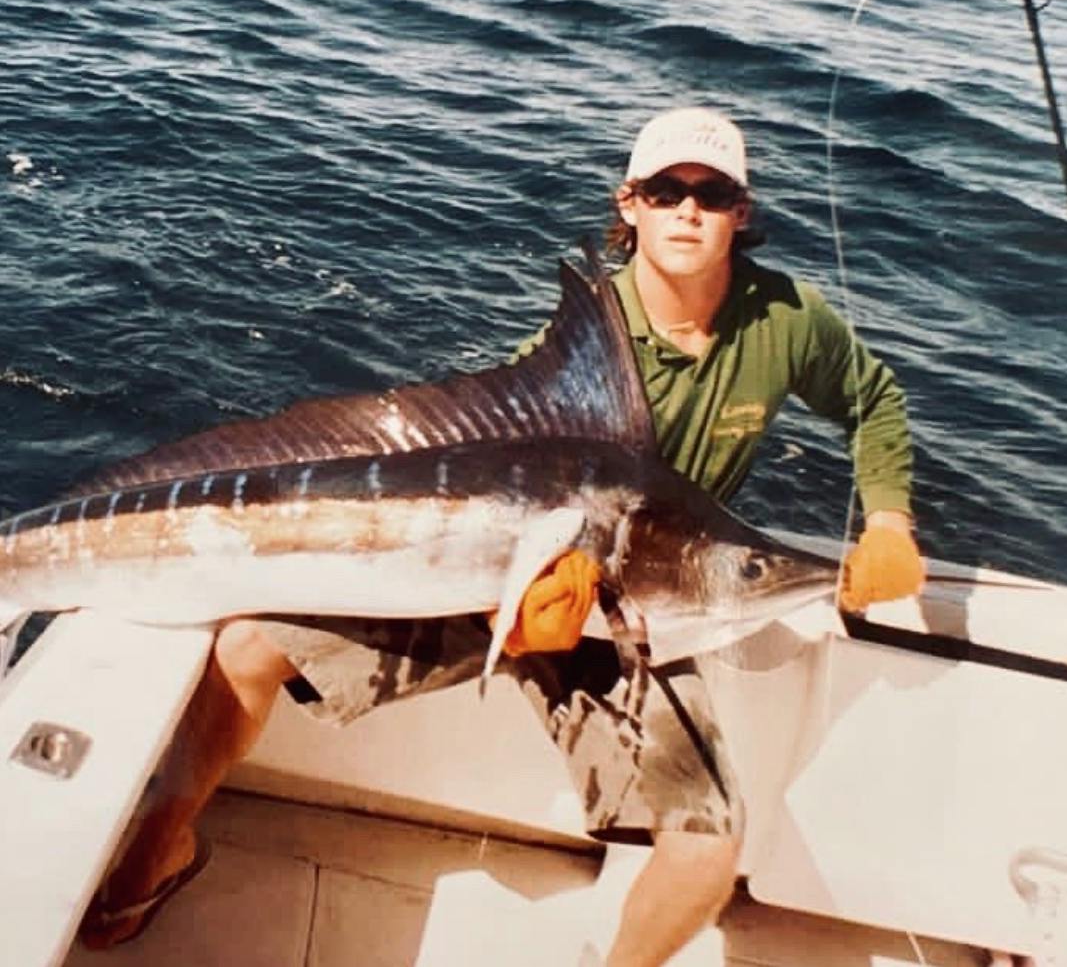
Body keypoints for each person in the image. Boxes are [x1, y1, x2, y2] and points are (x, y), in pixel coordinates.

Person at [80, 106, 922, 965]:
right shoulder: (596, 343)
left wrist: (887, 519)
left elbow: (874, 400)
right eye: (667, 191)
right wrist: (509, 611)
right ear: (629, 205)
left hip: (640, 608)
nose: (689, 211)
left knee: (708, 853)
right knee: (246, 652)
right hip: (487, 584)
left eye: (713, 195)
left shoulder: (787, 320)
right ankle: (151, 862)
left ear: (742, 213)